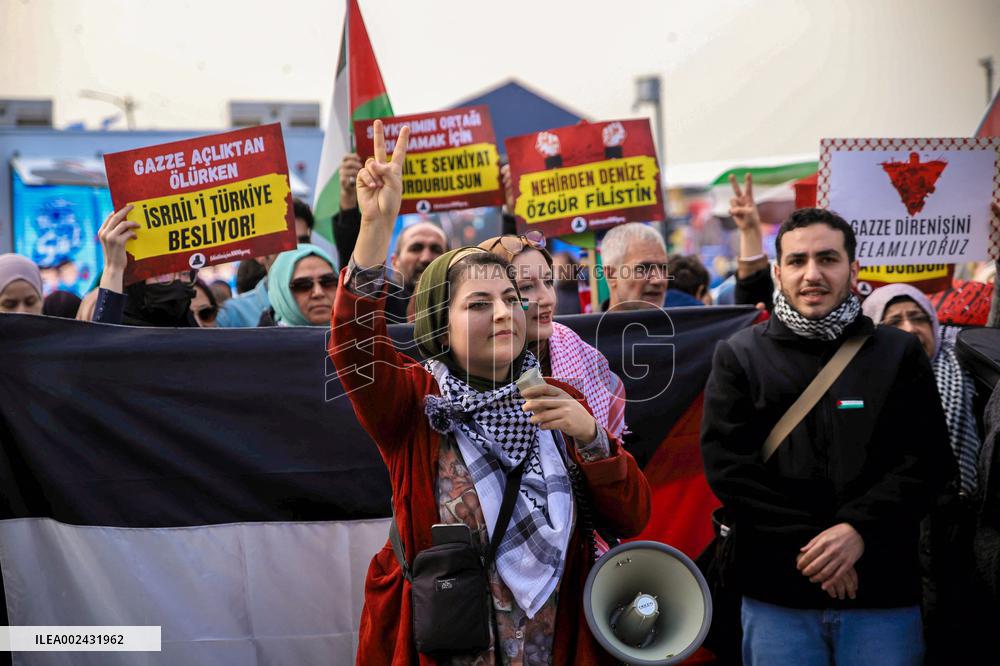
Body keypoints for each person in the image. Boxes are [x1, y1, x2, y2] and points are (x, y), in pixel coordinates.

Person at [331, 120, 649, 664]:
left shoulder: (558, 395)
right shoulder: (414, 403)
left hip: (556, 644)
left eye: (511, 298)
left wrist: (593, 437)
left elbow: (632, 519)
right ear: (439, 323)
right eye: (478, 305)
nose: (503, 312)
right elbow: (353, 347)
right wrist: (374, 231)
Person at [701, 207, 955, 666]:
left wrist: (857, 532)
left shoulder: (897, 354)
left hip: (882, 593)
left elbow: (929, 462)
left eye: (827, 259)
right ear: (777, 272)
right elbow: (730, 471)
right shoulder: (739, 356)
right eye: (797, 261)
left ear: (853, 269)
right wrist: (818, 548)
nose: (812, 274)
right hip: (776, 595)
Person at [862, 283, 984, 664]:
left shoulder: (970, 378)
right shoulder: (854, 388)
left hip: (960, 553)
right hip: (886, 561)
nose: (910, 328)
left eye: (919, 318)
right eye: (894, 320)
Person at [480, 233, 627, 437]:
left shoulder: (590, 364)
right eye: (526, 287)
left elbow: (617, 462)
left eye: (549, 282)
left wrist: (590, 434)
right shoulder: (462, 374)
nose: (548, 299)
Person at [331, 152, 449, 322]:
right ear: (394, 261)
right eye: (416, 248)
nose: (426, 258)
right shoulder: (378, 305)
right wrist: (351, 201)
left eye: (436, 249)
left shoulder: (465, 307)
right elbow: (359, 278)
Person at [92, 205, 198, 326]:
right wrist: (113, 268)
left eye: (185, 273)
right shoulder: (119, 334)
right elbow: (105, 339)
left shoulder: (195, 333)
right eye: (163, 272)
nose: (178, 282)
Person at [258, 244, 337, 327]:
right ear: (281, 295)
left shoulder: (350, 333)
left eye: (329, 281)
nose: (318, 293)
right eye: (302, 285)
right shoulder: (256, 339)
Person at [599, 222, 670, 311]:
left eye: (663, 268)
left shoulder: (683, 324)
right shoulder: (587, 325)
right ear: (611, 274)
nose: (659, 279)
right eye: (643, 269)